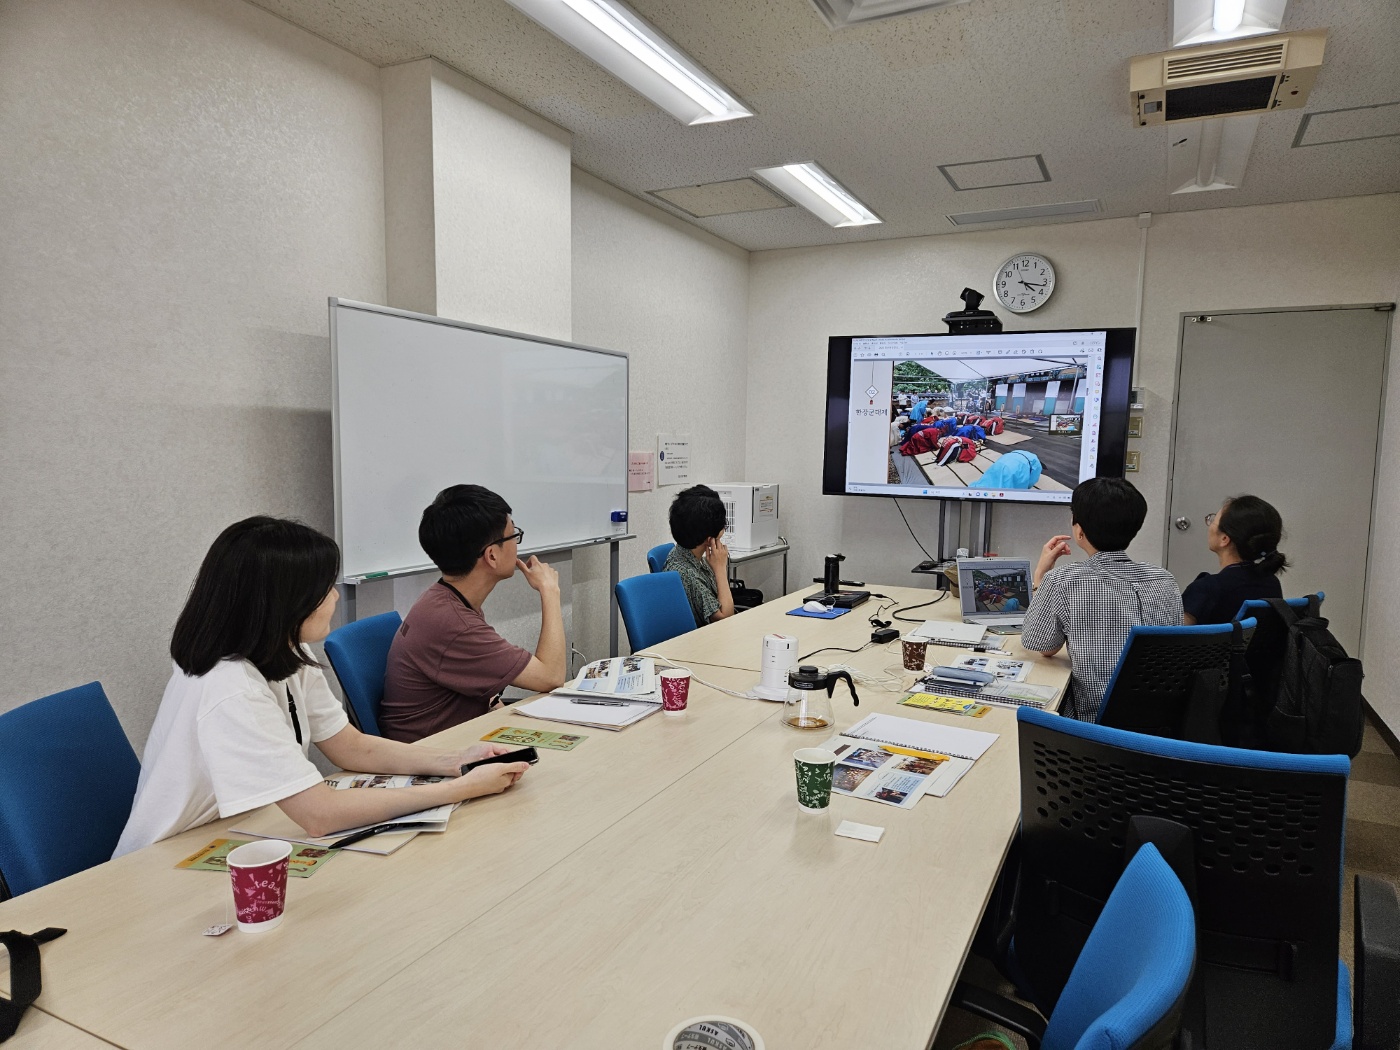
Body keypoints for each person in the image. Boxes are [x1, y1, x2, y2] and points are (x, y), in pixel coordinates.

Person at [114, 517, 530, 858]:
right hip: (170, 858)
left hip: (241, 830)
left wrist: (458, 761)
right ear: (283, 603)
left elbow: (350, 746)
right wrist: (461, 789)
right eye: (322, 590)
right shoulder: (229, 686)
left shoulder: (285, 651)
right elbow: (319, 815)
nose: (333, 597)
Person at [381, 485, 567, 742]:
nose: (517, 544)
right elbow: (551, 676)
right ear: (491, 555)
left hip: (460, 736)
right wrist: (549, 591)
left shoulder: (444, 599)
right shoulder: (453, 623)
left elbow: (481, 689)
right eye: (513, 536)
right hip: (432, 755)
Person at [1020, 478, 1183, 722]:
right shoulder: (1164, 579)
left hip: (1094, 724)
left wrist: (1040, 577)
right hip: (1163, 722)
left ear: (1079, 530)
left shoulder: (1063, 580)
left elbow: (1044, 647)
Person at [1182, 495, 1287, 625]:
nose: (1209, 525)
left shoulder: (1205, 589)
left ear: (1224, 539)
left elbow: (1175, 642)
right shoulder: (1272, 583)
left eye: (1213, 520)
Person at [663, 485, 735, 627]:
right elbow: (725, 618)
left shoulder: (686, 554)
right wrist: (720, 568)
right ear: (709, 539)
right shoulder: (687, 574)